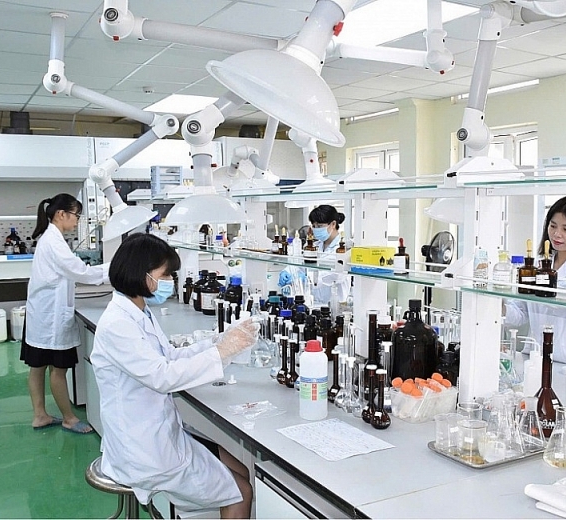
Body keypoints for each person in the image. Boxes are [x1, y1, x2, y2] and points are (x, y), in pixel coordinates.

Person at [90, 233, 256, 518]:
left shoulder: (137, 310)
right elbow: (162, 376)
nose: (169, 280)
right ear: (140, 274)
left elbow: (167, 357)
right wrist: (221, 353)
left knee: (240, 469)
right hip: (144, 451)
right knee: (242, 492)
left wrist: (219, 343)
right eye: (164, 274)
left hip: (160, 432)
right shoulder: (117, 323)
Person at [22, 193, 108, 433]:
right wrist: (113, 271)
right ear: (62, 214)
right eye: (76, 216)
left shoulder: (50, 238)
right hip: (50, 317)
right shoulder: (54, 241)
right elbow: (79, 271)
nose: (77, 221)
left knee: (37, 367)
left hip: (41, 314)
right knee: (58, 370)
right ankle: (69, 418)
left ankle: (40, 415)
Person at [504, 195, 566, 371]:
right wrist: (499, 304)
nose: (557, 234)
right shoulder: (538, 264)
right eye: (553, 226)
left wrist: (535, 279)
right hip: (535, 357)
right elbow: (519, 314)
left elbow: (558, 299)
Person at [279, 204, 350, 306]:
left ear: (333, 224)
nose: (316, 229)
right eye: (314, 226)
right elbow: (300, 266)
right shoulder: (314, 246)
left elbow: (336, 274)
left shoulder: (344, 249)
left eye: (320, 226)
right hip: (313, 304)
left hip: (335, 307)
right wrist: (287, 271)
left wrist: (308, 278)